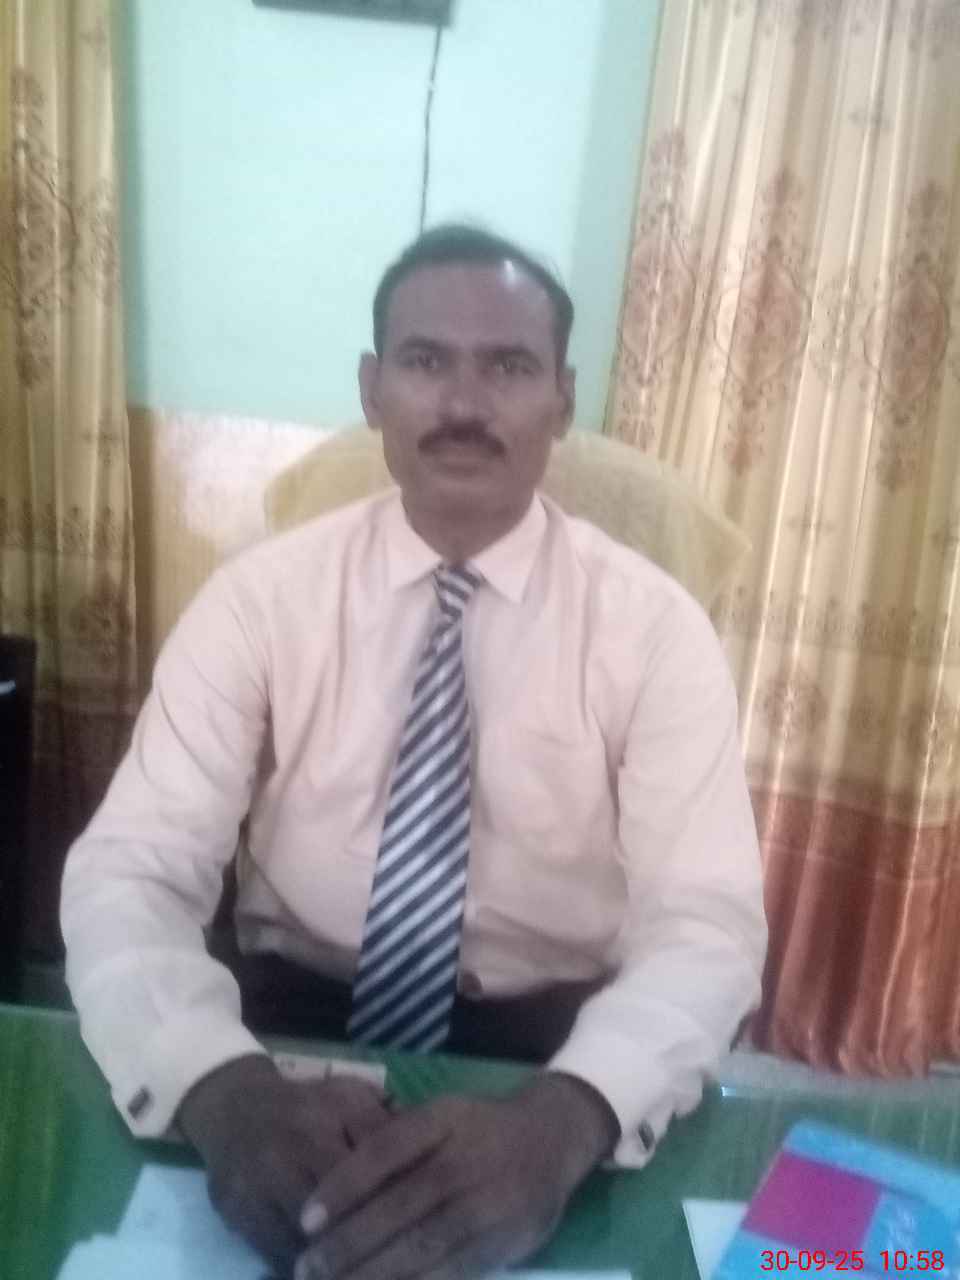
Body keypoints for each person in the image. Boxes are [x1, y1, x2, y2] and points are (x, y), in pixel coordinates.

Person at [60, 224, 767, 1280]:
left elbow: (706, 927)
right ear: (371, 387)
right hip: (283, 1027)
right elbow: (131, 870)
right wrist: (217, 1086)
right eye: (426, 360)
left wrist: (569, 1120)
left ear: (564, 400)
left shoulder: (657, 631)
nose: (465, 404)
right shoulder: (258, 600)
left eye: (510, 366)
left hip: (550, 1048)